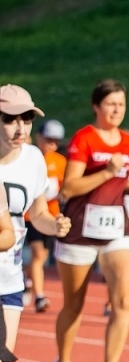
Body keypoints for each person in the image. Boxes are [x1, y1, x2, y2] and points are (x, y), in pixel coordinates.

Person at [51, 79, 129, 362]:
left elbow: (120, 183)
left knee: (123, 302)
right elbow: (69, 188)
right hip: (80, 229)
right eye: (110, 104)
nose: (116, 110)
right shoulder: (84, 139)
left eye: (121, 104)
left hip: (117, 227)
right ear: (96, 107)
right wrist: (106, 171)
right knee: (74, 304)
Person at [1, 86, 71, 362]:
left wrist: (54, 225)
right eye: (10, 120)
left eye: (26, 119)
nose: (20, 128)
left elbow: (39, 213)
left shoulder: (33, 159)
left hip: (10, 279)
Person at [24, 118, 66, 314]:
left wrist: (62, 193)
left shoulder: (59, 161)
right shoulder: (28, 158)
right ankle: (39, 296)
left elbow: (66, 185)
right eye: (48, 139)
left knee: (41, 256)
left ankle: (27, 279)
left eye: (56, 141)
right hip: (29, 216)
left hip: (50, 216)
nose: (52, 144)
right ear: (38, 137)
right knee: (38, 254)